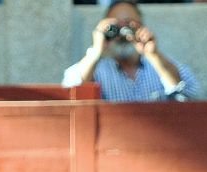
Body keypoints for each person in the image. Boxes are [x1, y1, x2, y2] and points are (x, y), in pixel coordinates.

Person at [61, 0, 198, 102]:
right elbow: (69, 91)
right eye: (116, 26)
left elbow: (191, 93)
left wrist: (154, 55)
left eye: (129, 24)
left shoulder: (160, 64)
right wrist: (97, 50)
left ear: (142, 26)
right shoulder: (97, 70)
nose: (123, 34)